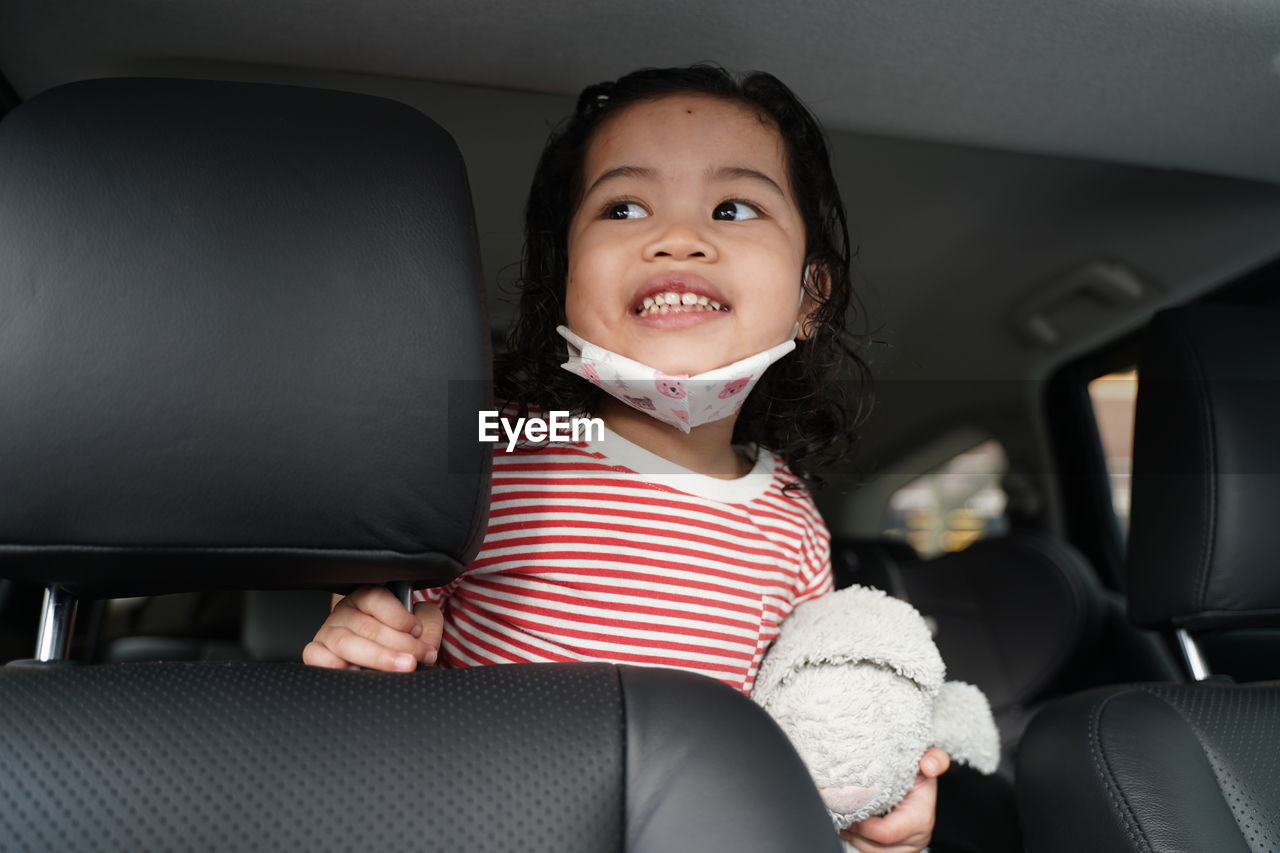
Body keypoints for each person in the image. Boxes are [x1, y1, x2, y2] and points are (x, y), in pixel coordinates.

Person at [304, 65, 949, 852]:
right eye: (625, 206)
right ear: (566, 283)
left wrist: (867, 833)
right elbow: (391, 617)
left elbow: (797, 734)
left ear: (811, 294)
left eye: (734, 207)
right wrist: (364, 635)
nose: (677, 236)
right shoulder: (495, 450)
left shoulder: (791, 519)